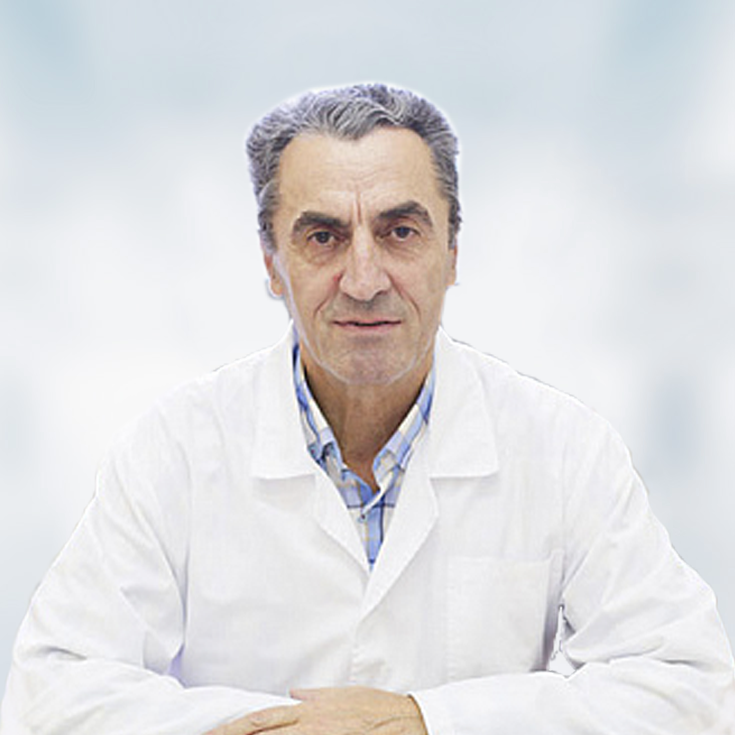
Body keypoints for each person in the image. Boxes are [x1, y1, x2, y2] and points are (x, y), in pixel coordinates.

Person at [1, 84, 734, 735]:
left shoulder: (563, 449)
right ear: (271, 264)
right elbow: (50, 695)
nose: (363, 278)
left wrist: (426, 721)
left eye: (399, 231)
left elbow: (689, 690)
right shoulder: (175, 450)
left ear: (452, 252)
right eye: (322, 237)